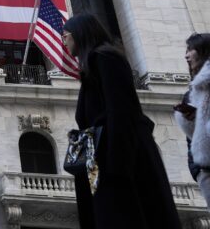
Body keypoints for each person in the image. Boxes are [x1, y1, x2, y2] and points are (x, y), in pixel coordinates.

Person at [62, 14, 180, 228]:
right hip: (103, 161)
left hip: (119, 160)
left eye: (66, 36)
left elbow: (121, 110)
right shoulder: (93, 65)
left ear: (80, 33)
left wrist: (118, 167)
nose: (64, 41)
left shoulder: (105, 58)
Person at [176, 33, 210, 207]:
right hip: (206, 170)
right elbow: (192, 139)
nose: (186, 55)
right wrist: (198, 171)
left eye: (190, 49)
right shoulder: (192, 93)